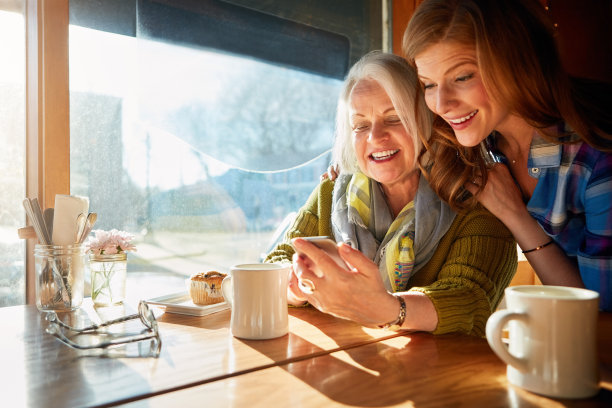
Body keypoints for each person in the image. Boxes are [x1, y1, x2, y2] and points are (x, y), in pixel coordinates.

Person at [265, 51, 517, 336]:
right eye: (360, 125)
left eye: (394, 118)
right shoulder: (330, 192)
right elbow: (275, 265)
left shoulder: (478, 201)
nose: (375, 137)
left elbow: (471, 298)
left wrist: (386, 308)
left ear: (427, 121)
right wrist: (298, 285)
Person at [402, 0, 612, 311]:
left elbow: (599, 313)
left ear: (514, 63)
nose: (442, 103)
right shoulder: (475, 144)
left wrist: (516, 216)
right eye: (429, 84)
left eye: (462, 78)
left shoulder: (595, 157)